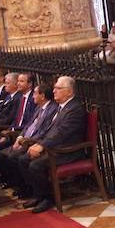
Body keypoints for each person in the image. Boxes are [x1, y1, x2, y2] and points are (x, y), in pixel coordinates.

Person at [17, 76, 88, 213]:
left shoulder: (74, 108)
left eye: (58, 88)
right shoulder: (61, 107)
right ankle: (38, 194)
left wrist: (42, 146)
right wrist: (36, 143)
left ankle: (48, 198)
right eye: (54, 88)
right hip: (55, 147)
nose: (54, 91)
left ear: (69, 91)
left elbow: (62, 133)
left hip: (67, 151)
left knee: (35, 165)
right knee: (22, 159)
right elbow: (49, 130)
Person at [0, 83, 58, 200]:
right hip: (26, 139)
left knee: (17, 158)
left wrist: (27, 141)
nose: (33, 96)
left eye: (35, 93)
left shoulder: (52, 109)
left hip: (34, 141)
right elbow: (28, 125)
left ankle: (30, 189)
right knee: (2, 154)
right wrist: (19, 138)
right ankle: (20, 185)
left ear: (42, 96)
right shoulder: (39, 107)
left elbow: (44, 132)